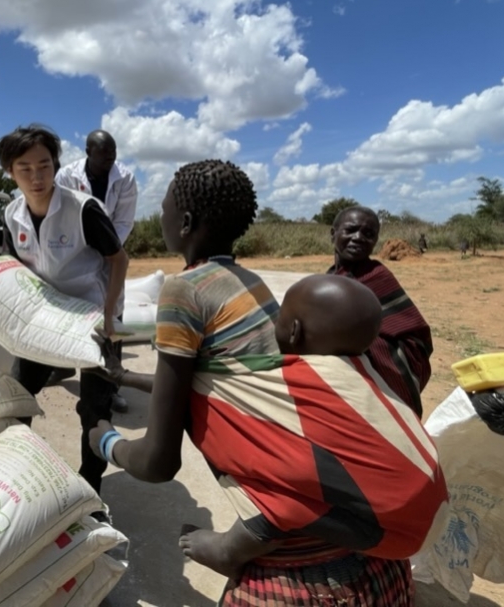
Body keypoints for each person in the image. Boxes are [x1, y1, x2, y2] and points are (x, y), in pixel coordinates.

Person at [88, 160, 445, 606]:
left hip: (302, 568)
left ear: (183, 222)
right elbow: (212, 381)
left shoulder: (185, 290)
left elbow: (159, 461)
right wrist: (124, 376)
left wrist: (106, 442)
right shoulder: (250, 283)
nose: (159, 219)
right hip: (376, 558)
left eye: (163, 209)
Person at [0, 124, 128, 496]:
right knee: (19, 395)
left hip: (91, 318)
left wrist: (108, 318)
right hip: (45, 318)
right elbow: (14, 267)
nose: (36, 177)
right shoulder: (12, 214)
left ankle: (90, 490)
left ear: (56, 165)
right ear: (10, 171)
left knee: (94, 410)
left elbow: (119, 260)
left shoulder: (83, 209)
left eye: (44, 166)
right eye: (25, 169)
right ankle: (18, 475)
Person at [53, 129, 138, 413]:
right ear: (88, 152)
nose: (110, 162)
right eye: (104, 157)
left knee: (112, 323)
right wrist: (83, 249)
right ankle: (63, 369)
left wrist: (107, 248)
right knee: (75, 321)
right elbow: (61, 216)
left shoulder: (124, 178)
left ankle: (111, 389)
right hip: (75, 254)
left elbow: (124, 222)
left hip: (111, 253)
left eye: (113, 157)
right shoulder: (66, 176)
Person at [328, 205, 434, 416]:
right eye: (351, 230)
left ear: (376, 241)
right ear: (333, 234)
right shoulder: (332, 276)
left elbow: (413, 334)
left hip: (388, 364)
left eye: (368, 234)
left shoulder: (377, 276)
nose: (358, 238)